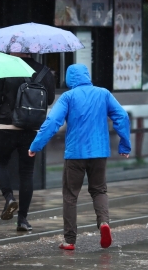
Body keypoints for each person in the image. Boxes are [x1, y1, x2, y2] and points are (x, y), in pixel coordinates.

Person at [28, 64, 131, 251]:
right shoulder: (103, 94)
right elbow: (122, 116)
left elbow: (53, 121)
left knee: (70, 195)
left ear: (69, 79)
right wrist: (124, 144)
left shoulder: (68, 97)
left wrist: (37, 144)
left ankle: (70, 240)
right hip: (99, 152)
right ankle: (103, 223)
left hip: (75, 153)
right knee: (99, 190)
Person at [0, 52, 56, 231]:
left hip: (8, 126)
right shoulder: (45, 72)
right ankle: (23, 219)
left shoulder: (6, 69)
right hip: (31, 129)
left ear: (18, 50)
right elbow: (49, 99)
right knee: (27, 173)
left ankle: (9, 197)